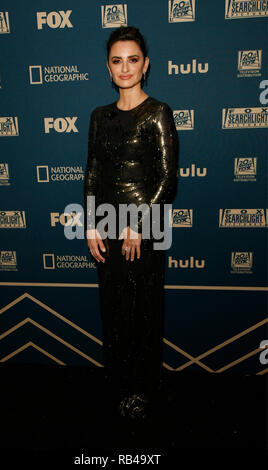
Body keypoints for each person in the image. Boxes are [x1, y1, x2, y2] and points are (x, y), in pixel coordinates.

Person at [84, 26, 179, 420]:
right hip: (107, 225)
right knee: (114, 310)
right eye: (117, 60)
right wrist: (90, 222)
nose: (125, 68)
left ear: (146, 65)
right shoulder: (99, 117)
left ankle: (144, 390)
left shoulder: (158, 113)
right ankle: (119, 382)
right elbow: (92, 172)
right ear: (108, 68)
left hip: (146, 226)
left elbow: (166, 180)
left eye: (133, 59)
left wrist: (138, 224)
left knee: (144, 311)